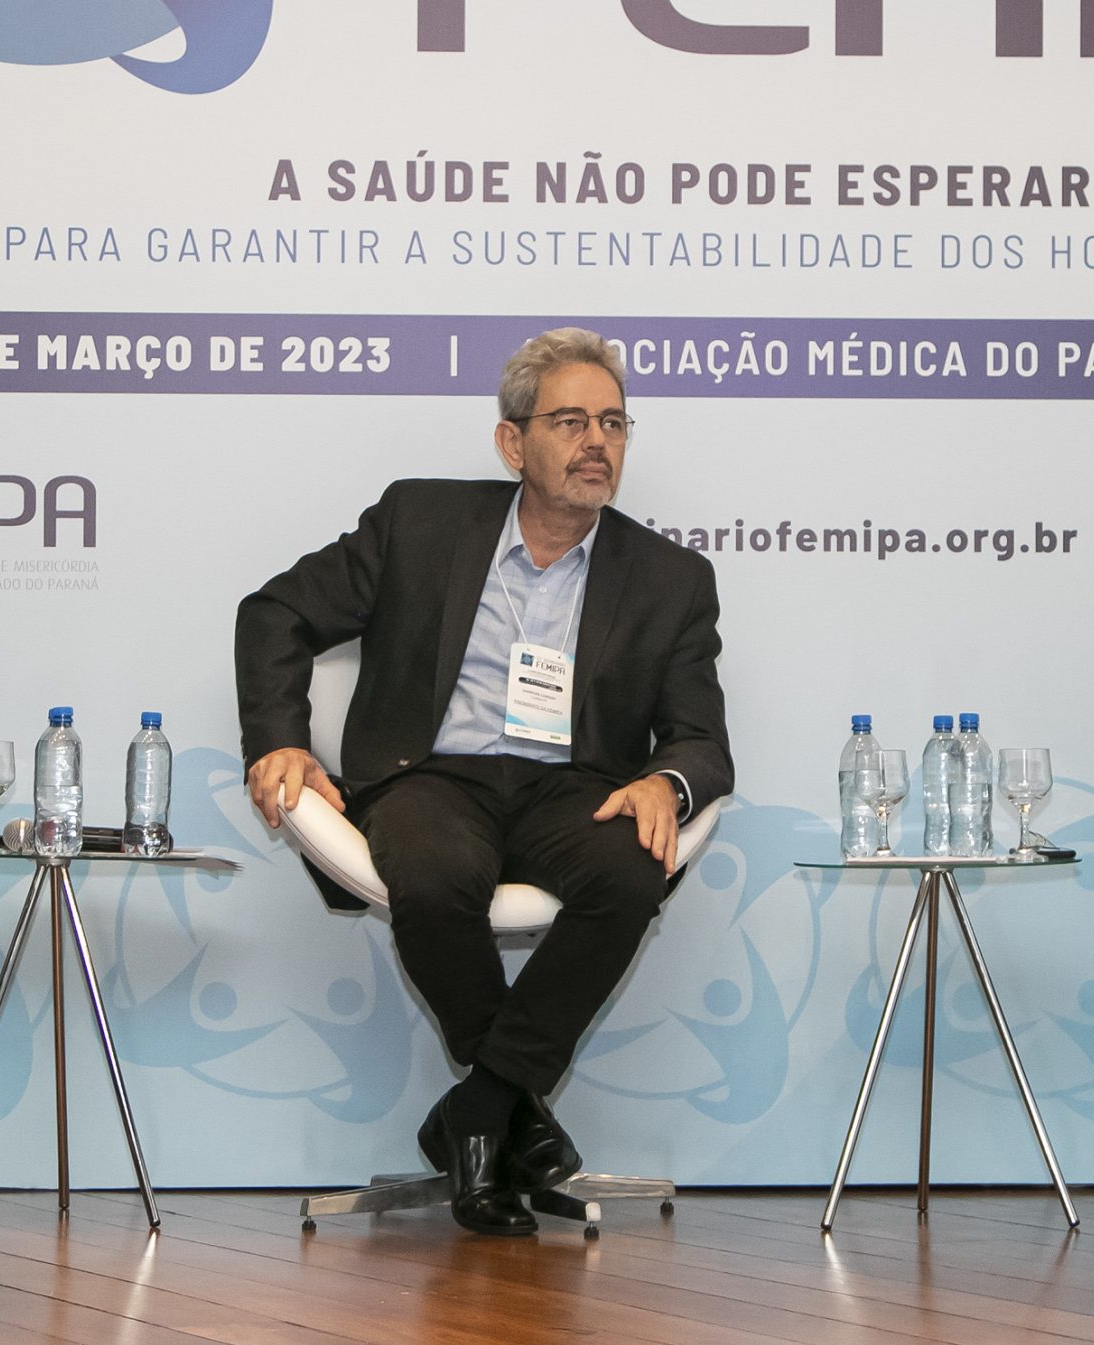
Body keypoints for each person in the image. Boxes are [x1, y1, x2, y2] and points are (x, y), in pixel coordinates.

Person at [237, 327, 731, 1235]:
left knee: (630, 873)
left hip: (573, 787)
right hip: (433, 776)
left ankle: (478, 1111)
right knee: (430, 872)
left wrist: (667, 780)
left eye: (613, 423)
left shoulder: (670, 578)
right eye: (571, 422)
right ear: (513, 442)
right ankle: (517, 1118)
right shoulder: (420, 522)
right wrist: (282, 741)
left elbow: (702, 738)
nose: (597, 442)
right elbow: (275, 613)